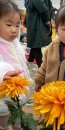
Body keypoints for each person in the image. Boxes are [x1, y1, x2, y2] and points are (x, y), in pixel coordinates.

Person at [0, 0, 30, 129]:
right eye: (9, 24)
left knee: (18, 122)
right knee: (4, 124)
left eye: (17, 25)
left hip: (17, 96)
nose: (14, 30)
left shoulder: (14, 43)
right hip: (3, 101)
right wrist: (4, 73)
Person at [26, 0, 54, 67]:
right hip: (37, 21)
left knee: (35, 43)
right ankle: (30, 59)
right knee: (34, 42)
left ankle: (41, 66)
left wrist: (47, 20)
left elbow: (43, 9)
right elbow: (50, 6)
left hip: (37, 23)